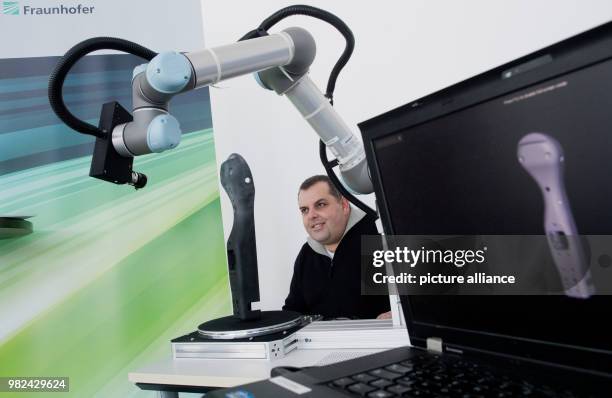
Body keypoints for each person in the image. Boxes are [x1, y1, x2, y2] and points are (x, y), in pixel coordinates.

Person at [283, 175, 390, 319]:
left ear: (344, 205)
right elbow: (293, 312)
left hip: (383, 340)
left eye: (320, 204)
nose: (311, 215)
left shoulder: (382, 237)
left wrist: (396, 316)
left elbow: (424, 304)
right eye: (304, 210)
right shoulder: (306, 254)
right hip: (324, 341)